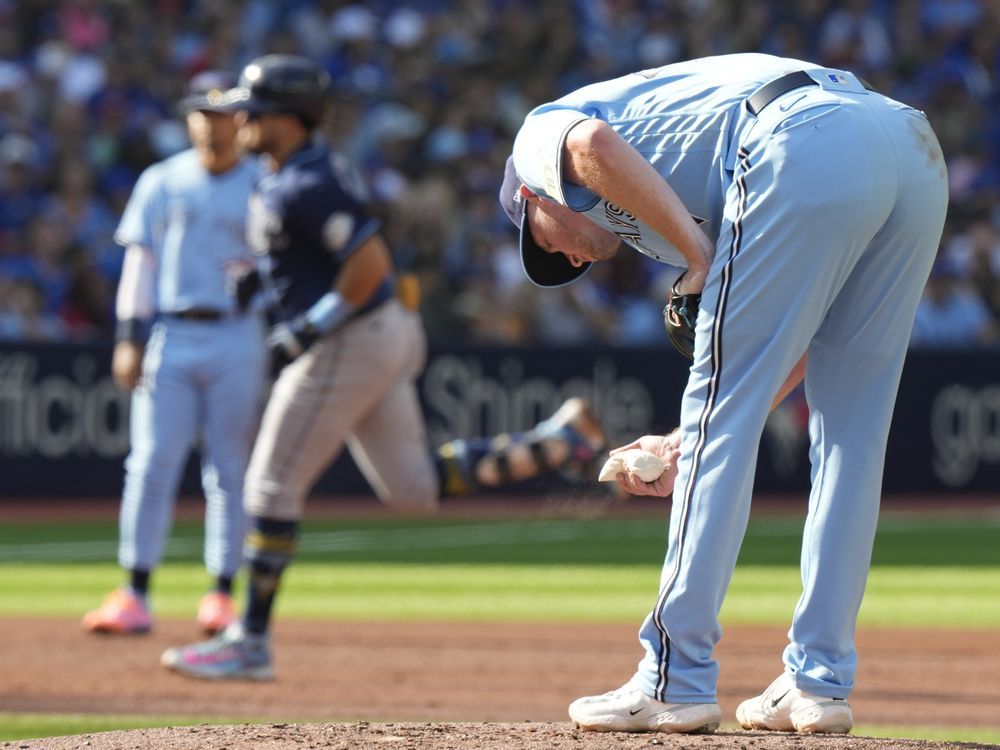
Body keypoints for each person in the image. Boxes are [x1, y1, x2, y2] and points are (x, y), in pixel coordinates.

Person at [499, 53, 948, 734]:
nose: (565, 260)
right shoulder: (652, 205)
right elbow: (801, 342)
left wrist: (699, 260)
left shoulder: (536, 142)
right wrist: (688, 441)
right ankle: (818, 683)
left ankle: (672, 678)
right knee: (851, 433)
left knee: (740, 419)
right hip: (906, 147)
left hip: (803, 135)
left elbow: (585, 143)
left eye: (544, 245)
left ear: (534, 198)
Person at [160, 55, 606, 680]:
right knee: (414, 491)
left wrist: (304, 328)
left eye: (254, 110)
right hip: (381, 331)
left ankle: (249, 642)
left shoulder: (304, 180)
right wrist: (262, 286)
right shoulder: (293, 171)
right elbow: (316, 261)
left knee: (269, 486)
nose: (242, 119)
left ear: (289, 117)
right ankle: (554, 443)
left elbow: (368, 267)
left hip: (351, 336)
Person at [82, 71, 266, 636]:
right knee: (150, 464)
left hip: (239, 334)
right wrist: (128, 338)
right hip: (173, 332)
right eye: (202, 115)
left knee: (230, 469)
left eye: (223, 115)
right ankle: (135, 592)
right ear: (187, 120)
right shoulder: (162, 180)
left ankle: (220, 595)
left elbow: (280, 267)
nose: (213, 127)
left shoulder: (262, 181)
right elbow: (140, 264)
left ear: (242, 120)